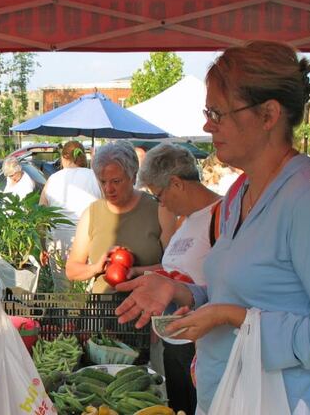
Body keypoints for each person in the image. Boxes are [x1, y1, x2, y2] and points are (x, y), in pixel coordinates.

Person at [115, 41, 310, 415]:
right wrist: (186, 294)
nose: (208, 124)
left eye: (217, 113)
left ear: (268, 114)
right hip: (229, 396)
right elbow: (245, 293)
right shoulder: (240, 191)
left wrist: (229, 318)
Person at [134, 143, 221, 415]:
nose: (161, 204)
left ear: (176, 184)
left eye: (159, 196)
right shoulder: (188, 220)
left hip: (202, 343)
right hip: (176, 341)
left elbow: (226, 287)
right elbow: (176, 270)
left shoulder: (222, 216)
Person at [65, 139, 176, 294]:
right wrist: (96, 267)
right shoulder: (91, 213)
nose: (108, 188)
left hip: (149, 308)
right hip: (103, 310)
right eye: (103, 182)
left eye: (116, 181)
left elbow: (175, 266)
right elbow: (72, 270)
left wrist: (137, 271)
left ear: (133, 176)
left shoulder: (160, 210)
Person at [40, 140, 101, 291]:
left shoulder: (53, 179)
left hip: (58, 242)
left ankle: (64, 315)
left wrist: (42, 246)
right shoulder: (96, 177)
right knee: (87, 293)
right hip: (89, 241)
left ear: (63, 158)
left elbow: (40, 216)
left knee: (63, 292)